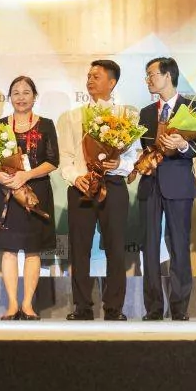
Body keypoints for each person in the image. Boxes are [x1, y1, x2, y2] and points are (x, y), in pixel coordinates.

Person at [58, 59, 140, 321]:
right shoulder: (72, 116)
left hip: (113, 186)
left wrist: (120, 163)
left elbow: (135, 156)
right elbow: (66, 156)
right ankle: (82, 306)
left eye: (97, 76)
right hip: (81, 186)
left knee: (115, 247)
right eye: (89, 76)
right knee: (79, 248)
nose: (90, 80)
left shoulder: (127, 116)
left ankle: (114, 308)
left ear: (112, 83)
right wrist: (75, 177)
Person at [0, 76, 59, 320]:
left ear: (34, 96)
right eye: (15, 92)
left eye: (26, 92)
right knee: (8, 250)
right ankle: (12, 305)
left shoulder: (46, 124)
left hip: (35, 193)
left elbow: (53, 161)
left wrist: (26, 175)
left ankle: (28, 305)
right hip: (6, 194)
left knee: (32, 250)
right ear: (10, 98)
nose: (21, 97)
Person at [138, 57, 196, 321]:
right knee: (149, 247)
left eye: (152, 74)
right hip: (150, 184)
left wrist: (183, 145)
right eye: (147, 75)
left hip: (179, 186)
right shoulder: (145, 113)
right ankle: (152, 308)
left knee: (179, 246)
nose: (148, 80)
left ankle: (179, 307)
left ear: (168, 75)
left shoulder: (193, 108)